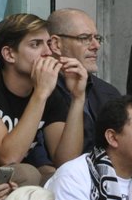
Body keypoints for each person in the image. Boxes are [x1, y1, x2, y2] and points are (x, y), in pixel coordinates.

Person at [0, 13, 89, 170]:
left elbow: (67, 165)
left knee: (51, 173)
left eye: (48, 44)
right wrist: (40, 94)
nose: (47, 52)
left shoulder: (50, 93)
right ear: (9, 54)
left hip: (13, 179)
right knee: (28, 173)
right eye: (35, 44)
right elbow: (8, 157)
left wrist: (78, 97)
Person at [46, 8, 125, 156]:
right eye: (85, 38)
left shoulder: (108, 93)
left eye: (97, 38)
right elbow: (63, 163)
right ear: (56, 45)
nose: (96, 46)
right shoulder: (40, 90)